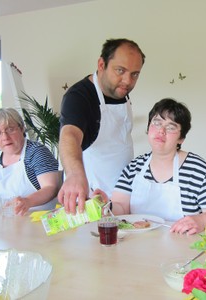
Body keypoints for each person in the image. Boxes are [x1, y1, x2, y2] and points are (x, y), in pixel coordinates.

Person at [94, 98, 206, 235]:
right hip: (136, 247)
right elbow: (121, 207)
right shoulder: (134, 167)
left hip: (183, 248)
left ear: (181, 138)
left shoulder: (198, 169)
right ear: (148, 128)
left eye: (171, 127)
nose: (161, 131)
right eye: (157, 123)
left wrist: (201, 220)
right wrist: (106, 205)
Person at [58, 38, 145, 214]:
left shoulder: (121, 93)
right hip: (93, 200)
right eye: (120, 70)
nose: (127, 81)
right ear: (101, 64)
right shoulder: (79, 97)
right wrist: (75, 175)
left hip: (122, 198)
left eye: (135, 74)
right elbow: (70, 136)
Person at [0, 108, 60, 215]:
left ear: (22, 129)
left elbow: (50, 188)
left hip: (32, 219)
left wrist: (27, 201)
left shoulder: (36, 152)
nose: (5, 137)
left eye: (10, 129)